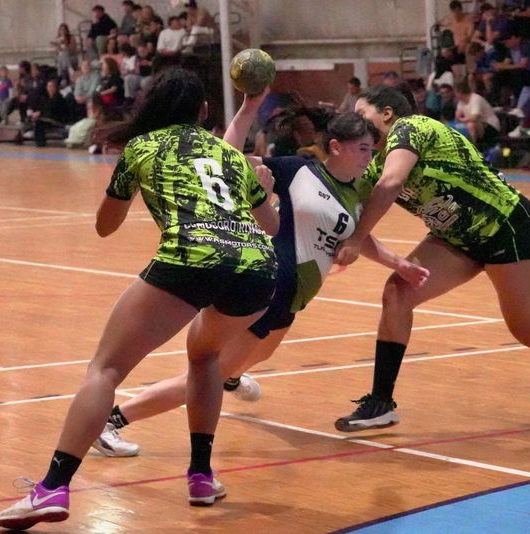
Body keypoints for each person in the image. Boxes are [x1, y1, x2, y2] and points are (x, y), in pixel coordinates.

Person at [0, 68, 279, 530]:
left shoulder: (142, 148)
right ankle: (201, 477)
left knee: (105, 369)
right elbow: (272, 226)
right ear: (204, 111)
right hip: (257, 268)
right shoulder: (230, 154)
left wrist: (128, 190)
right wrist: (262, 189)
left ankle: (53, 487)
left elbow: (105, 227)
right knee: (205, 356)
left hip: (190, 256)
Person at [86, 94, 429, 458]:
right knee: (207, 375)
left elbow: (357, 236)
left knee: (261, 353)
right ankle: (110, 421)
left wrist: (398, 263)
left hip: (292, 299)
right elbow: (227, 158)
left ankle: (232, 376)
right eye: (362, 149)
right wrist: (248, 114)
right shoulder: (297, 170)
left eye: (371, 151)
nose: (369, 158)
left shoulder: (356, 192)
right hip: (268, 283)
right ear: (336, 147)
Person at [332, 85, 530, 432]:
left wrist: (356, 239)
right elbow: (350, 210)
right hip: (456, 239)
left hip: (507, 226)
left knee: (526, 327)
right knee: (397, 293)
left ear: (387, 114)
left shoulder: (412, 127)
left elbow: (392, 183)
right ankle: (380, 403)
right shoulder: (374, 165)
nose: (357, 124)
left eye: (362, 115)